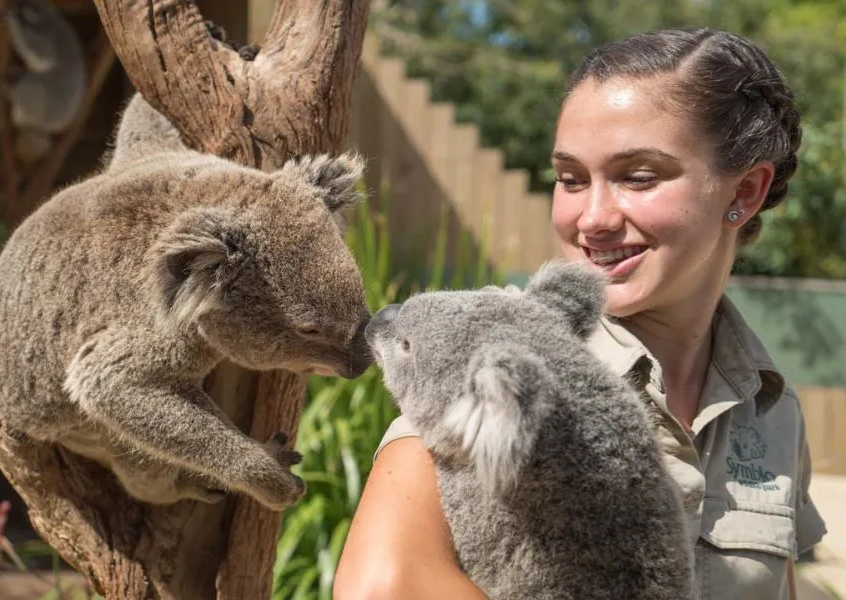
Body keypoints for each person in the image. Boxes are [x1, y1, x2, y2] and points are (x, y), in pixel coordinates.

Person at [333, 26, 827, 600]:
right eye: (569, 179)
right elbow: (383, 586)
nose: (592, 218)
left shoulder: (772, 410)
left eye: (638, 177)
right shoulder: (486, 351)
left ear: (744, 192)